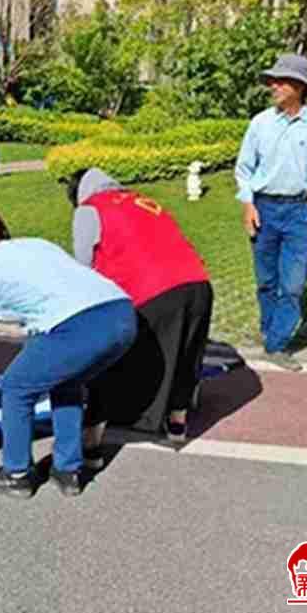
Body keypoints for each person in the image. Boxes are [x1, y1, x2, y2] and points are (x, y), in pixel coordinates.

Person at [0, 212, 136, 498]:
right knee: (65, 382)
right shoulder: (34, 245)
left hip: (81, 325)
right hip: (123, 315)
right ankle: (68, 471)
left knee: (16, 388)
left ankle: (17, 474)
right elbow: (46, 312)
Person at [67, 168, 213, 459]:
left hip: (152, 289)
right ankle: (177, 424)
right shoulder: (143, 201)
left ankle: (91, 444)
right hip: (198, 284)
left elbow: (82, 265)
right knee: (185, 355)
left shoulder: (90, 209)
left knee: (110, 358)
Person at [234, 53, 307, 371]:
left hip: (299, 212)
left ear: (300, 86)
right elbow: (244, 168)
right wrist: (247, 204)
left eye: (281, 81)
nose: (274, 86)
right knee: (266, 281)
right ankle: (270, 331)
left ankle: (276, 344)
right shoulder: (260, 123)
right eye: (273, 81)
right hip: (263, 209)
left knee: (293, 284)